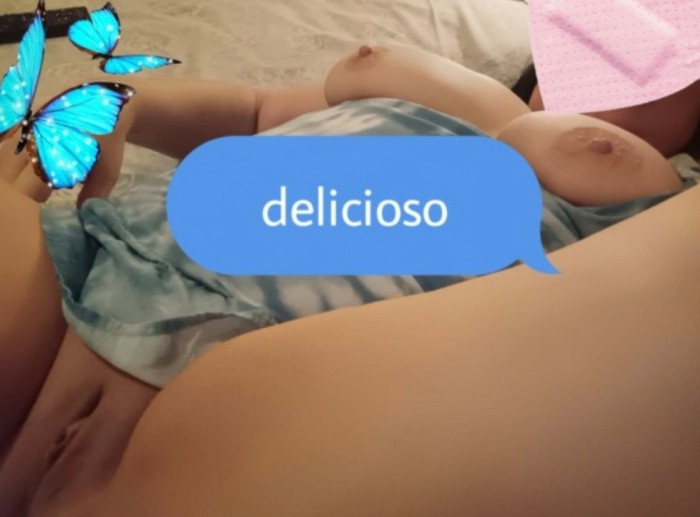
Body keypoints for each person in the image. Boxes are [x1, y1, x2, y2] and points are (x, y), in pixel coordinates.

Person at [0, 45, 698, 516]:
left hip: (289, 387)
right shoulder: (433, 84)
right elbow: (252, 111)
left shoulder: (665, 193)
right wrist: (125, 105)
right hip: (99, 263)